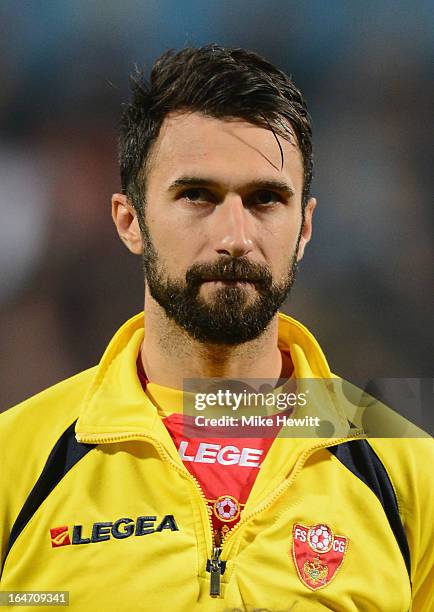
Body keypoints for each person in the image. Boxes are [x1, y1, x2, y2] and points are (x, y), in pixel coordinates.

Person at [0, 45, 432, 612]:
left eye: (265, 200)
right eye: (197, 196)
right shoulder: (16, 462)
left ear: (304, 228)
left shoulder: (407, 469)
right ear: (130, 220)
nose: (235, 237)